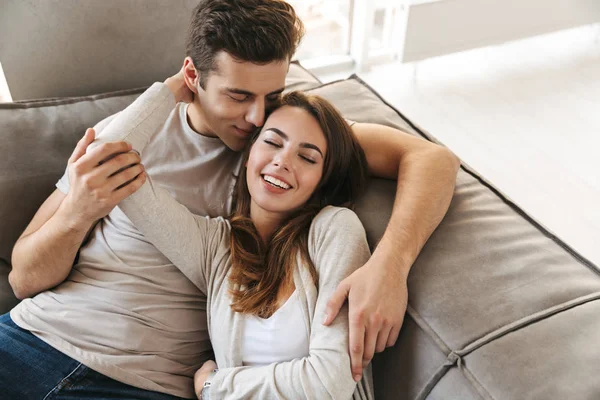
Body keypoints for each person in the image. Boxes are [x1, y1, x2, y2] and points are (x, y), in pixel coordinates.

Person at [3, 0, 459, 398]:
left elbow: (433, 160)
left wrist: (390, 266)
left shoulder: (284, 145)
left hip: (143, 384)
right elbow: (23, 277)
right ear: (192, 77)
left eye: (271, 95)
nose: (257, 116)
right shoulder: (132, 136)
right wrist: (78, 213)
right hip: (30, 338)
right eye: (238, 96)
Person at [91, 80, 375, 399]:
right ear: (249, 151)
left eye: (307, 158)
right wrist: (177, 87)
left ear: (322, 181)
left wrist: (216, 386)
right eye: (272, 142)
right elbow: (106, 159)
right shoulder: (215, 248)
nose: (282, 162)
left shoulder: (334, 230)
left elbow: (329, 383)